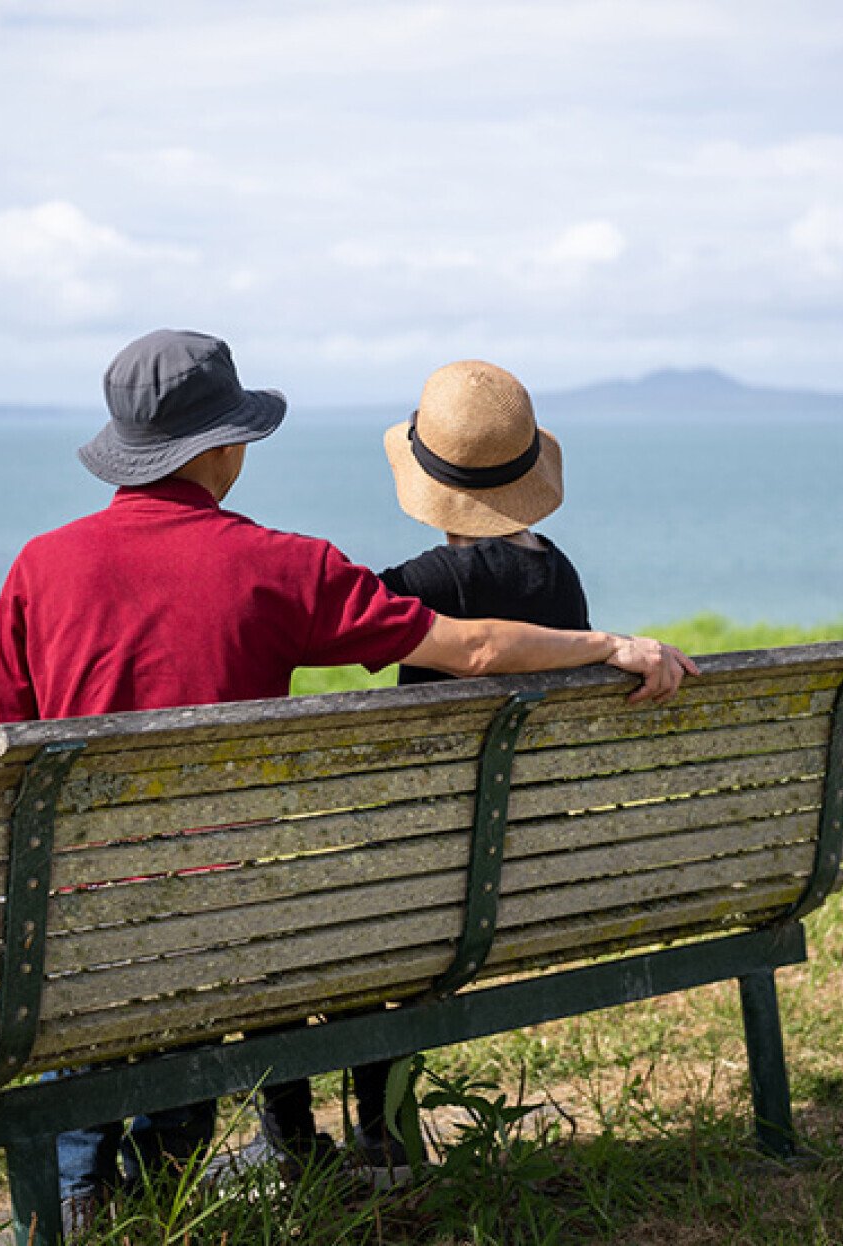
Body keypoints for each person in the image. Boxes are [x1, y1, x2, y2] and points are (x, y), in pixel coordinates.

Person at [0, 329, 695, 1229]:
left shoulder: (38, 567)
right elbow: (469, 645)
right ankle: (178, 1161)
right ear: (227, 446)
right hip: (234, 924)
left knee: (110, 928)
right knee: (225, 906)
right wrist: (610, 645)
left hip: (75, 929)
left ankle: (81, 1192)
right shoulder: (285, 567)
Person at [254, 358, 589, 1178]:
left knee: (287, 924)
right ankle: (384, 1133)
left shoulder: (423, 584)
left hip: (424, 859)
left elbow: (316, 627)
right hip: (517, 862)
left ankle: (294, 1140)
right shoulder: (564, 579)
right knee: (397, 916)